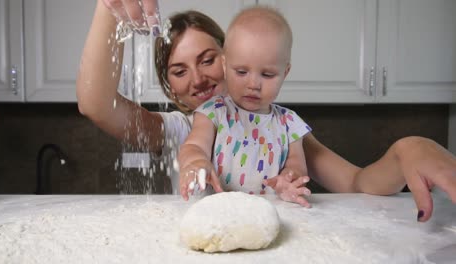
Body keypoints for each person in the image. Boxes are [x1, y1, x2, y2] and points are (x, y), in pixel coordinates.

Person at [77, 0, 456, 222]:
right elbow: (96, 104)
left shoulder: (285, 128)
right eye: (179, 71)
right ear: (168, 84)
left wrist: (404, 151)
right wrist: (108, 9)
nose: (197, 79)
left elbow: (360, 185)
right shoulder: (181, 127)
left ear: (230, 60)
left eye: (208, 60)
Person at [178, 7, 313, 207]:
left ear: (285, 72)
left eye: (267, 75)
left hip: (270, 213)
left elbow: (296, 165)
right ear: (225, 65)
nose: (253, 84)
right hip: (218, 212)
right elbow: (194, 146)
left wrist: (289, 180)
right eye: (241, 72)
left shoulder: (290, 124)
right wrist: (195, 162)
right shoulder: (213, 112)